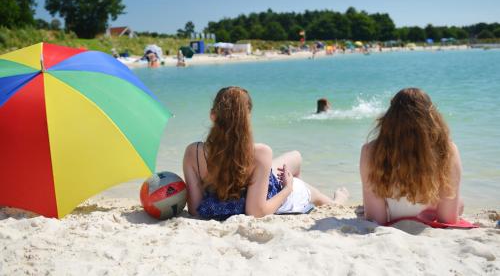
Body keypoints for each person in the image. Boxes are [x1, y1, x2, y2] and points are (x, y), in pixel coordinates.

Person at [183, 86, 348, 220]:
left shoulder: (193, 152)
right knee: (309, 191)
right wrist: (287, 189)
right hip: (262, 197)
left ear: (212, 116)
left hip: (227, 200)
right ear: (247, 117)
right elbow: (257, 212)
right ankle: (336, 201)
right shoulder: (260, 152)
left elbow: (195, 210)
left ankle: (299, 195)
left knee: (295, 156)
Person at [359, 88, 464, 225]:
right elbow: (448, 219)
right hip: (429, 218)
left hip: (391, 217)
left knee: (363, 207)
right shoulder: (448, 150)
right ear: (431, 116)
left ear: (390, 116)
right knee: (460, 203)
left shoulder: (370, 151)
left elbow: (376, 219)